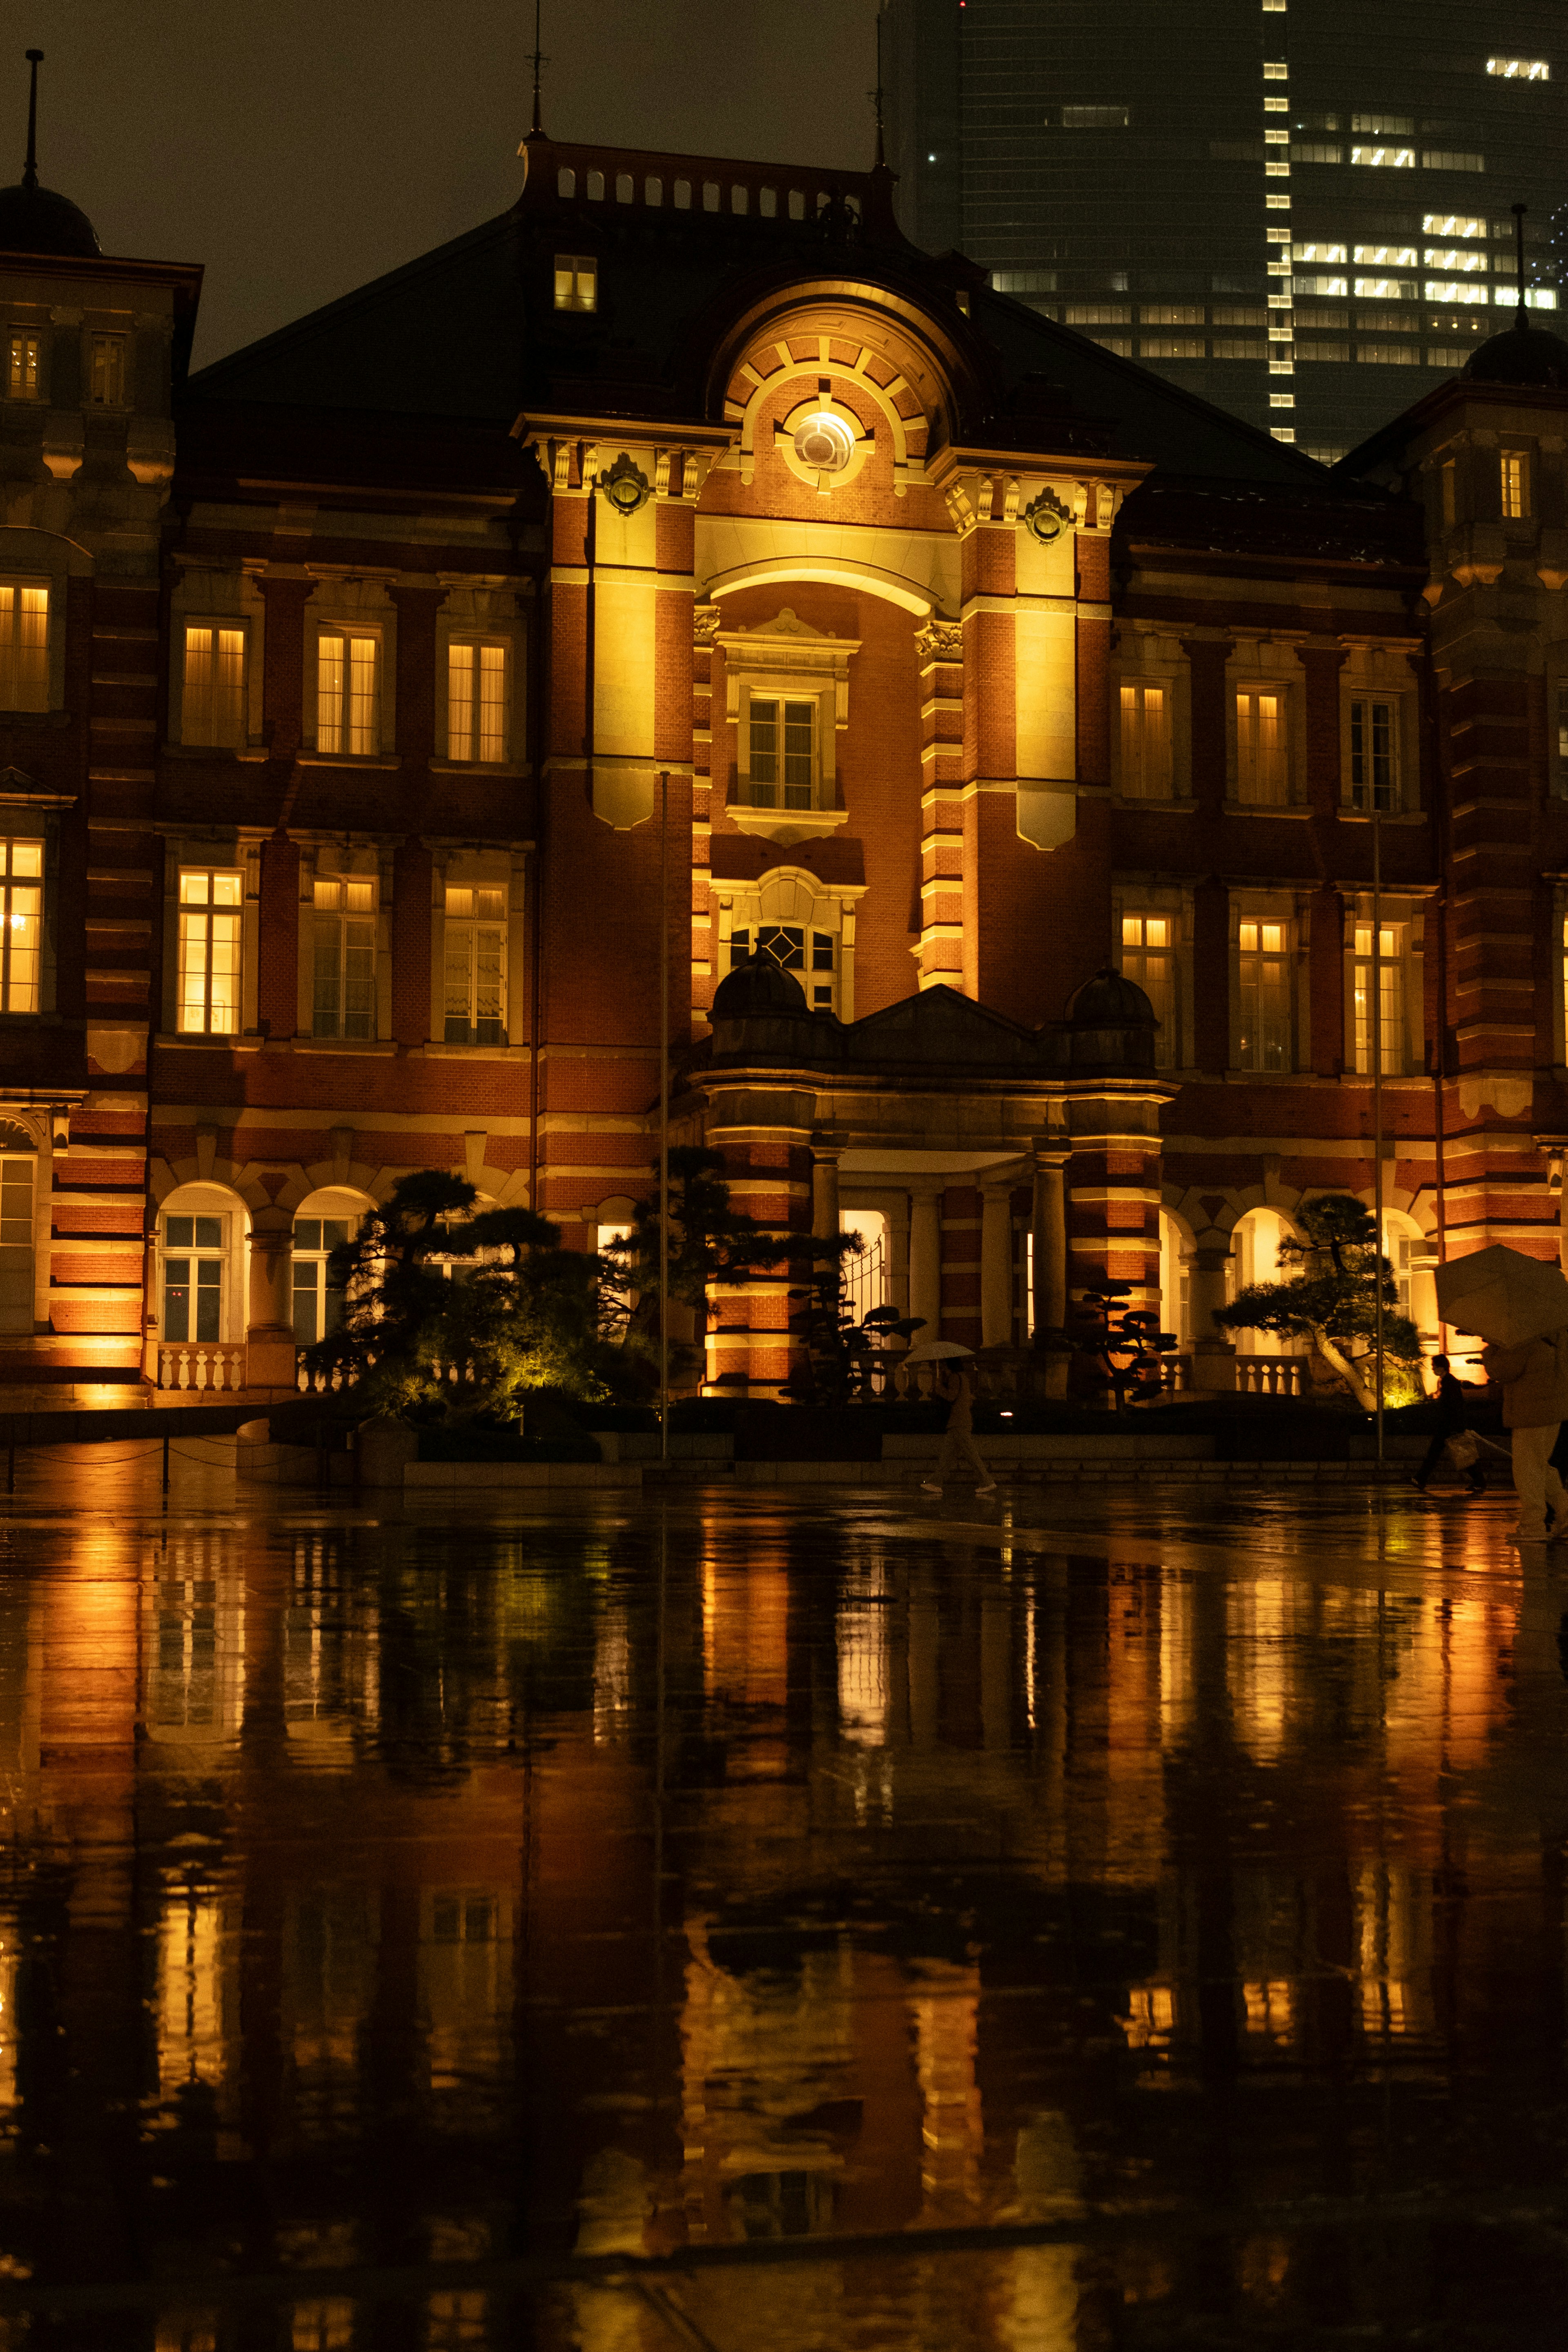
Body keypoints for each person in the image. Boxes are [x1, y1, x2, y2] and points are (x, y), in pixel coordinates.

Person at [1479, 1324, 1568, 1544]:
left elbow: (1502, 1370)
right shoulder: (1558, 1332)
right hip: (1554, 1409)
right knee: (1540, 1465)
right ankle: (1566, 1513)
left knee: (1527, 1468)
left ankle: (1533, 1525)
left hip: (1530, 1412)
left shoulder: (1525, 1337)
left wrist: (1491, 1348)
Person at [1412, 1354, 1485, 1495]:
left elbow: (1453, 1406)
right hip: (1449, 1426)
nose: (1433, 1369)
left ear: (1441, 1367)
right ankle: (1420, 1479)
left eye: (1434, 1366)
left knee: (1459, 1454)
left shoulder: (1449, 1383)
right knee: (1443, 1454)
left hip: (1449, 1427)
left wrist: (1454, 1427)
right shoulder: (1447, 1381)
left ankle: (1480, 1482)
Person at [921, 1360, 996, 1498]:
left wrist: (939, 1388)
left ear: (950, 1366)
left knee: (971, 1455)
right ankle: (936, 1483)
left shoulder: (956, 1377)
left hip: (959, 1422)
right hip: (959, 1422)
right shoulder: (963, 1378)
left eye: (944, 1366)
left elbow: (952, 1396)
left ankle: (987, 1481)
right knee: (947, 1456)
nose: (943, 1369)